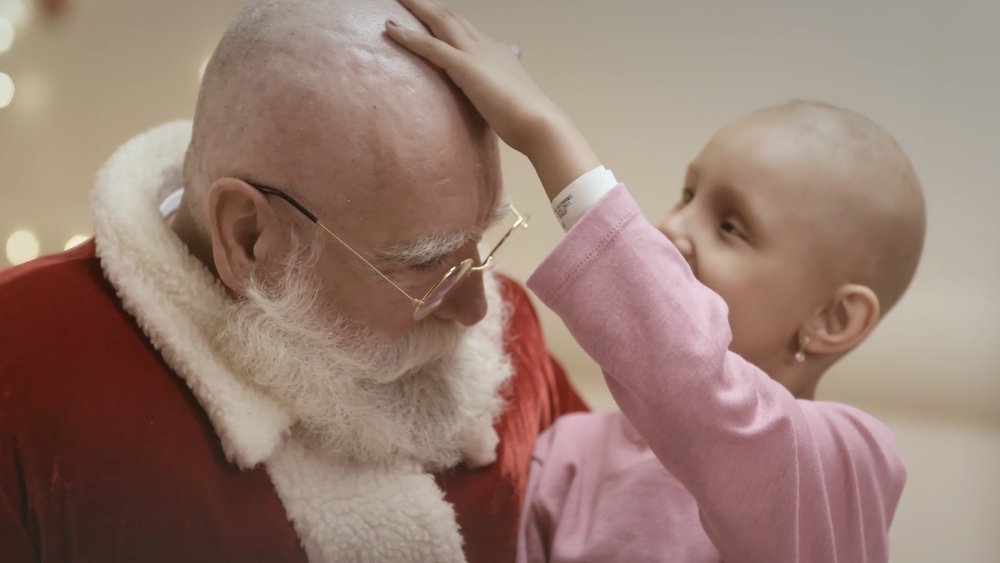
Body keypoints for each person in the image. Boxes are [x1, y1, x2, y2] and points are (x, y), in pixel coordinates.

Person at [0, 1, 588, 561]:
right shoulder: (23, 375)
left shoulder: (517, 351)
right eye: (424, 264)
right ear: (249, 238)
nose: (479, 309)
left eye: (480, 241)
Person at [385, 1, 925, 561]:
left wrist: (545, 133)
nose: (669, 226)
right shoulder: (570, 453)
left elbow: (697, 385)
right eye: (688, 195)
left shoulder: (845, 461)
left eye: (731, 226)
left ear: (831, 319)